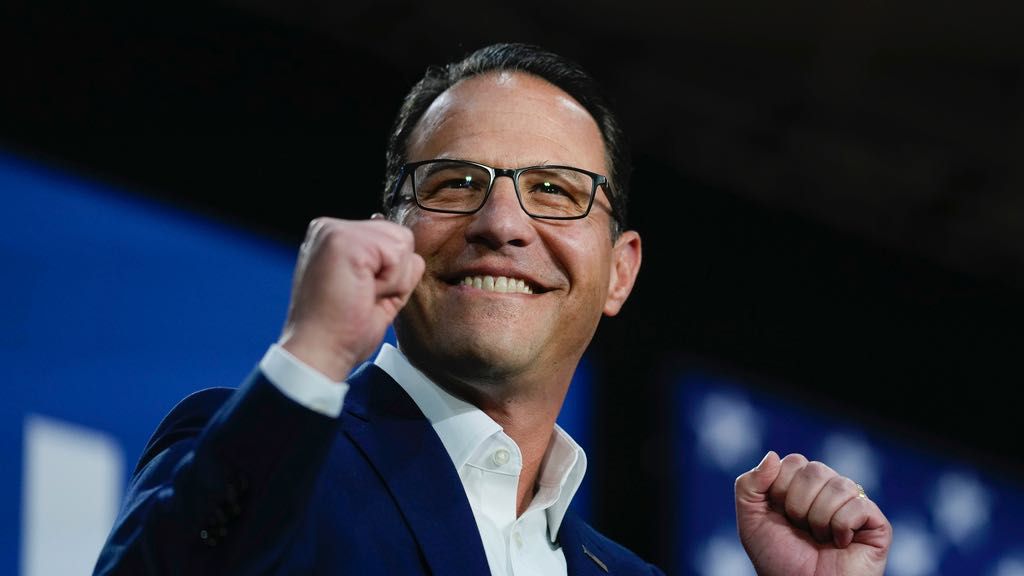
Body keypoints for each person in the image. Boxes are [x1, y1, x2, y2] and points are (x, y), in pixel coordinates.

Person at [93, 42, 892, 575]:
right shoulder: (261, 457)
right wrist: (312, 359)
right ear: (390, 234)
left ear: (620, 273)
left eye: (554, 190)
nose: (502, 224)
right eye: (454, 183)